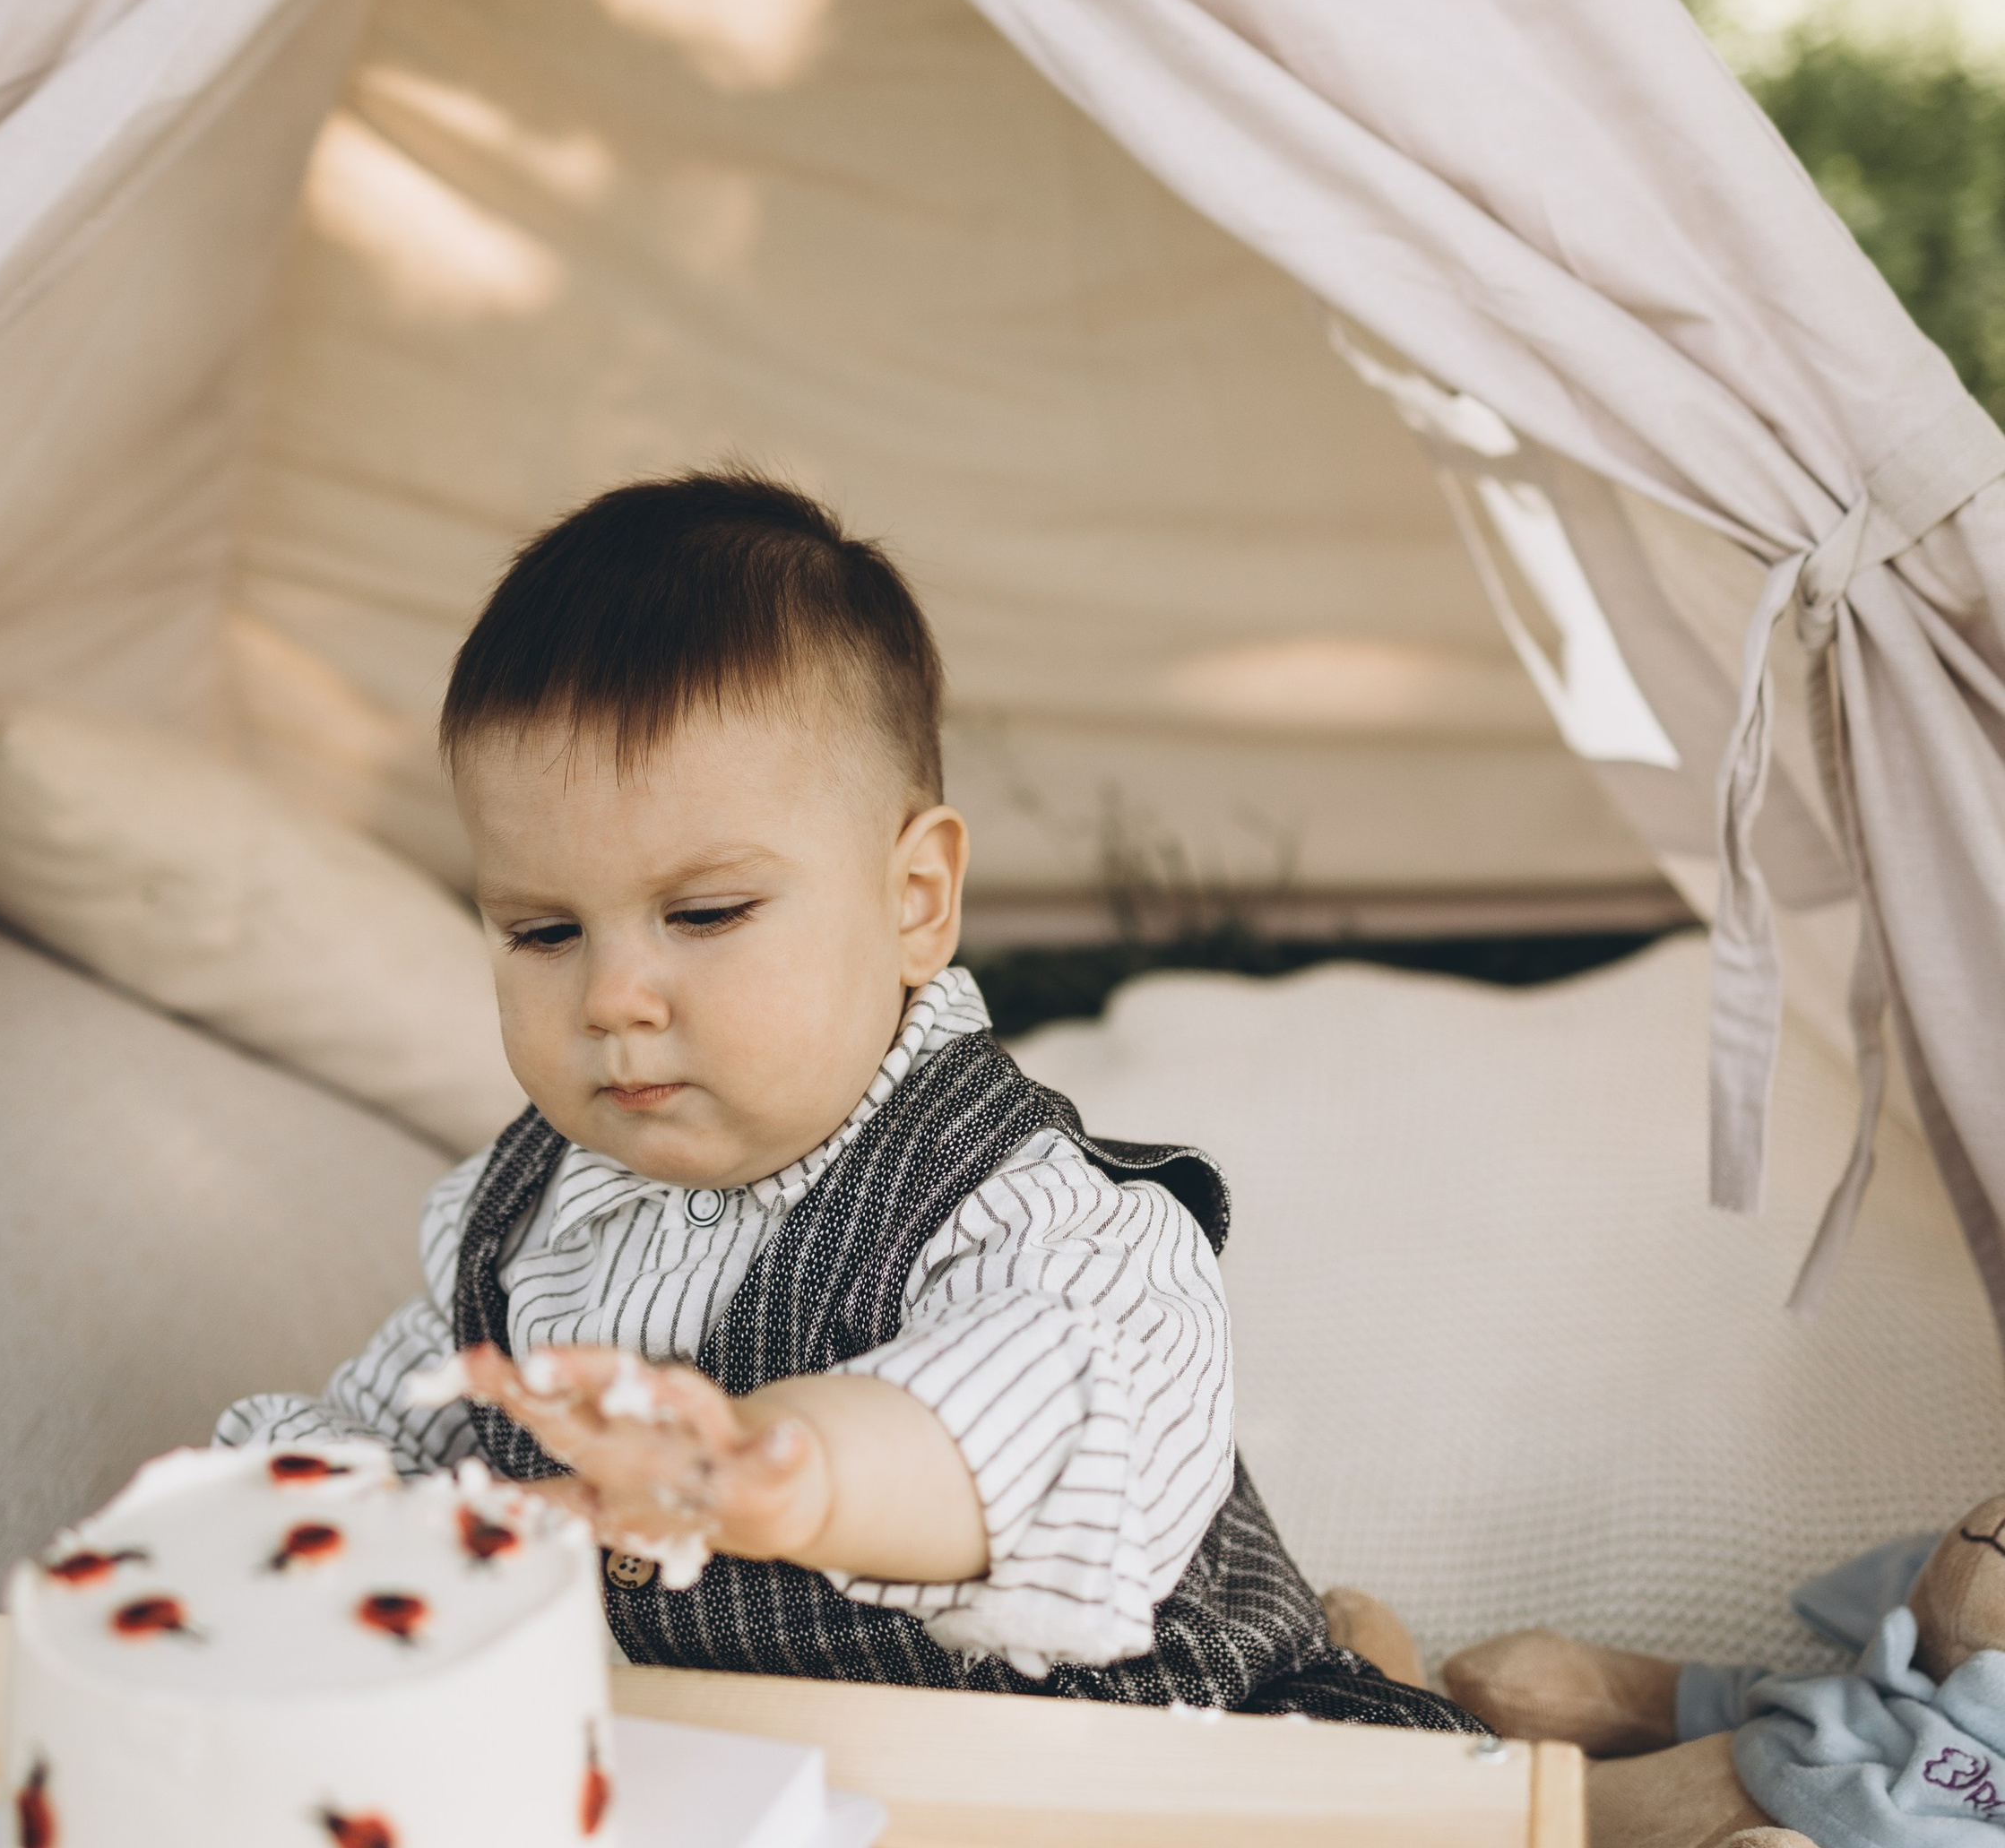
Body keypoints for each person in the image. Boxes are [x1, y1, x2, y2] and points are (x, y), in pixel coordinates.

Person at [219, 468, 1468, 1723]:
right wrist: (285, 1519)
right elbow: (395, 1427)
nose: (612, 998)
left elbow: (1027, 1406)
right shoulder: (528, 1221)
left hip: (1163, 1773)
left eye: (704, 914)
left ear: (914, 901)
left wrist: (792, 1475)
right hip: (796, 1801)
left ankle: (1420, 1686)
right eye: (542, 933)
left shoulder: (1039, 1217)